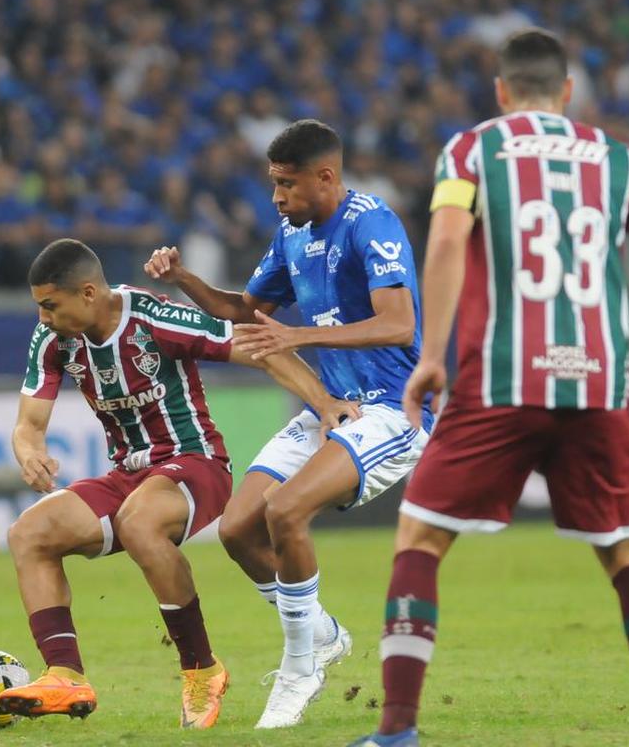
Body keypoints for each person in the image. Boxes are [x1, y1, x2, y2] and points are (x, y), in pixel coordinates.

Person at [349, 29, 629, 747]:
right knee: (628, 554)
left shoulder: (472, 149)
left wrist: (432, 356)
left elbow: (446, 241)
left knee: (420, 537)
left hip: (498, 382)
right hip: (596, 386)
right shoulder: (623, 161)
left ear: (501, 92)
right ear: (568, 93)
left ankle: (395, 732)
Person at [0, 238, 357, 730]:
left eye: (49, 305)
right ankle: (65, 674)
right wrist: (29, 450)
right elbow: (28, 424)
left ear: (87, 293)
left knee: (140, 522)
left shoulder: (151, 318)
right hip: (128, 473)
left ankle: (202, 669)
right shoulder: (54, 340)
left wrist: (324, 402)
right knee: (28, 534)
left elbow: (257, 346)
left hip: (195, 463)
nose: (42, 317)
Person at [145, 119, 432, 729]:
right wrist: (186, 282)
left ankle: (301, 667)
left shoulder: (370, 223)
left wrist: (299, 334)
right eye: (272, 183)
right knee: (238, 529)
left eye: (286, 184)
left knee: (285, 512)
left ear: (325, 177)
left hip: (390, 407)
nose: (275, 197)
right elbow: (246, 313)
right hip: (331, 405)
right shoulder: (293, 233)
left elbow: (399, 324)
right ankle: (321, 632)